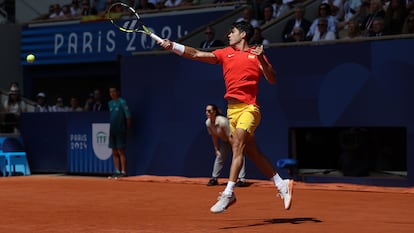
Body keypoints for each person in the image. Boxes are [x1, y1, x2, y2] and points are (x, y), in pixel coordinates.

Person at [159, 21, 293, 213]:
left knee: (237, 146)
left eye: (233, 32)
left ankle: (229, 193)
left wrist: (262, 58)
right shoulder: (224, 53)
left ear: (243, 35)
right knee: (252, 152)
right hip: (232, 111)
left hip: (249, 108)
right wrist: (173, 46)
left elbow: (272, 79)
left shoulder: (255, 54)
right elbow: (197, 54)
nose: (229, 35)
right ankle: (282, 184)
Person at [205, 104, 247, 187]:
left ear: (214, 112)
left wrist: (235, 150)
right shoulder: (208, 123)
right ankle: (214, 178)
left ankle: (242, 179)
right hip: (225, 141)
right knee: (219, 156)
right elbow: (214, 136)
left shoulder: (223, 121)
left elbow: (230, 135)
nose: (207, 113)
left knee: (238, 157)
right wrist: (216, 149)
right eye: (206, 111)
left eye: (209, 111)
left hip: (235, 139)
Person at [108, 86, 132, 178]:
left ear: (117, 92)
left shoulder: (122, 102)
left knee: (120, 151)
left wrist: (126, 129)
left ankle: (123, 171)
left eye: (114, 91)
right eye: (110, 92)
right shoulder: (110, 103)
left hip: (120, 130)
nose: (112, 93)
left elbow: (128, 117)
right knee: (114, 151)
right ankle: (117, 171)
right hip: (112, 130)